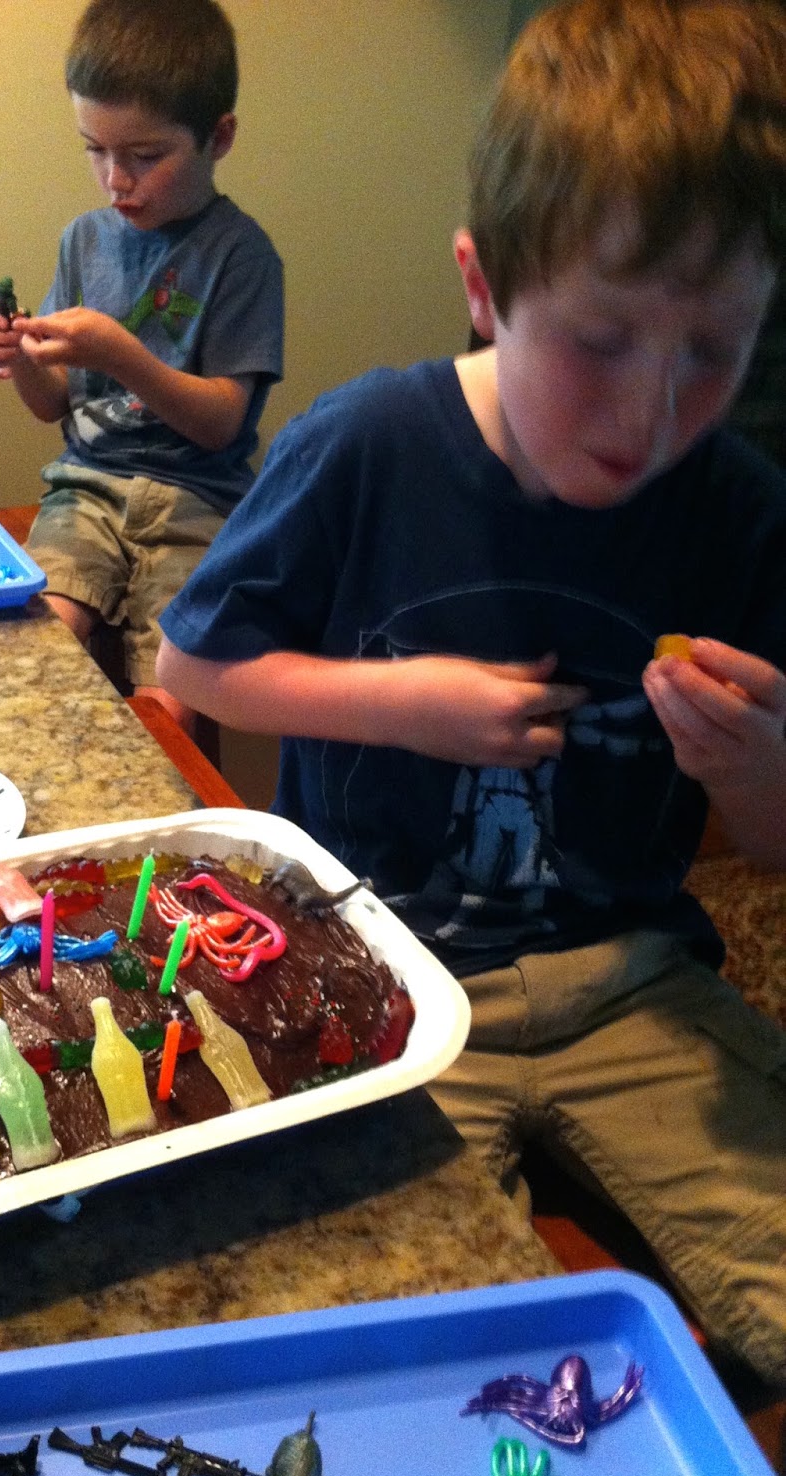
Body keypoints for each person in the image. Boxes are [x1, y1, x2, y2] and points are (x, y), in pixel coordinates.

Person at [157, 0, 786, 1388]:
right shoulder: (368, 443)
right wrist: (406, 705)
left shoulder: (738, 513)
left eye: (712, 352)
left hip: (631, 987)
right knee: (384, 1348)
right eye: (601, 343)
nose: (647, 415)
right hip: (385, 980)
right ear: (484, 288)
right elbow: (187, 665)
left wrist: (751, 762)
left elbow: (767, 846)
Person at [0, 0, 284, 732]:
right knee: (42, 628)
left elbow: (220, 424)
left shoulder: (240, 256)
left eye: (144, 157)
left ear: (219, 137)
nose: (116, 178)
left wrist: (121, 351)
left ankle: (148, 812)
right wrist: (16, 354)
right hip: (85, 489)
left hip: (197, 503)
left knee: (172, 687)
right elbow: (54, 404)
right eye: (94, 150)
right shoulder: (82, 241)